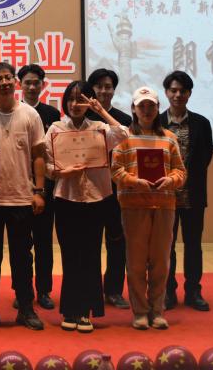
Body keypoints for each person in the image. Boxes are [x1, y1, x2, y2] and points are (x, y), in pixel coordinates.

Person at [43, 80, 129, 333]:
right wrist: (61, 172)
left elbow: (124, 135)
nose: (75, 104)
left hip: (96, 199)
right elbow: (46, 164)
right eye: (71, 99)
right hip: (66, 199)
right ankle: (70, 310)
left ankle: (86, 312)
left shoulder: (100, 128)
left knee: (91, 256)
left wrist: (100, 110)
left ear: (89, 102)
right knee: (70, 256)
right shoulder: (56, 129)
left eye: (81, 99)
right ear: (65, 102)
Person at [0, 62, 47, 331]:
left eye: (8, 78)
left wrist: (39, 191)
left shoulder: (30, 114)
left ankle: (25, 308)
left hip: (21, 198)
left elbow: (39, 156)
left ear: (15, 82)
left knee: (23, 258)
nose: (4, 82)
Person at [111, 86, 186, 330]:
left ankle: (157, 311)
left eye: (151, 106)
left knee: (161, 262)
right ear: (133, 109)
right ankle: (140, 312)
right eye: (141, 106)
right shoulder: (124, 138)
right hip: (133, 206)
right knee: (135, 263)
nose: (146, 110)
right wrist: (135, 181)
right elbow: (115, 171)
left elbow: (180, 171)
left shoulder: (169, 138)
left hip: (164, 205)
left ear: (157, 108)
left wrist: (170, 180)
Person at [159, 70, 213, 312]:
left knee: (193, 245)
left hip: (193, 195)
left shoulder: (201, 123)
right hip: (164, 196)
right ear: (166, 92)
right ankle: (168, 291)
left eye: (182, 91)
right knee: (166, 247)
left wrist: (184, 179)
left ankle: (193, 291)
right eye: (173, 90)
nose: (178, 95)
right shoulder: (157, 122)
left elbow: (205, 157)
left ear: (189, 93)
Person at [84, 67, 133, 310]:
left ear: (114, 90)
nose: (104, 91)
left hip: (116, 190)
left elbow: (130, 151)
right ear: (91, 89)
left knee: (117, 242)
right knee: (90, 244)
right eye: (99, 86)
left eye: (108, 87)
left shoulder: (123, 119)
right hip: (89, 189)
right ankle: (91, 290)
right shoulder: (82, 117)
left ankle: (113, 290)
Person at [17, 63, 61, 310]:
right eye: (28, 83)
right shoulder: (13, 111)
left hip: (46, 187)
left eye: (36, 83)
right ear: (20, 85)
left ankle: (44, 290)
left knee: (44, 242)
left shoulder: (52, 114)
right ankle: (22, 290)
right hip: (19, 186)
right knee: (21, 244)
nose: (32, 87)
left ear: (43, 85)